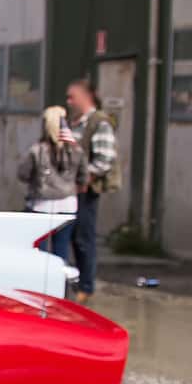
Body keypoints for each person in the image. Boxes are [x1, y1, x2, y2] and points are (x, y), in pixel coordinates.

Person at [66, 78, 118, 301]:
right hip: (68, 189)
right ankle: (74, 281)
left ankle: (86, 287)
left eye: (72, 97)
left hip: (85, 190)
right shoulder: (74, 122)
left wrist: (86, 176)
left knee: (83, 238)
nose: (68, 101)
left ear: (85, 97)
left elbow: (105, 159)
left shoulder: (99, 122)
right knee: (70, 236)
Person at [16, 106, 86, 265]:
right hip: (67, 204)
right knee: (61, 251)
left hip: (41, 204)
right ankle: (59, 286)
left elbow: (23, 174)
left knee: (38, 251)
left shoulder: (37, 150)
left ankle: (37, 286)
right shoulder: (76, 150)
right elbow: (83, 176)